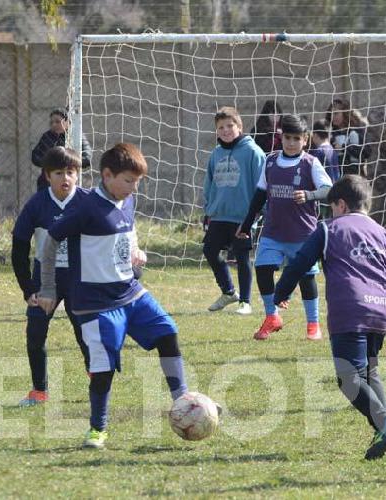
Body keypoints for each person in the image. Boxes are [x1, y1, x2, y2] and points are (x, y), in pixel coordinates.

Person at [36, 143, 189, 450]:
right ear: (107, 175)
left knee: (168, 333)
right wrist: (50, 288)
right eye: (128, 181)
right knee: (103, 366)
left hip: (130, 292)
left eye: (137, 182)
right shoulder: (86, 207)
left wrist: (135, 253)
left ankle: (184, 403)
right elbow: (50, 241)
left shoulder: (126, 200)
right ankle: (97, 429)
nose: (133, 188)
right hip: (95, 303)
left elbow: (127, 235)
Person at [273, 175, 386, 460]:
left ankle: (385, 424)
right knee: (369, 372)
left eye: (331, 207)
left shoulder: (328, 229)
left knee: (348, 378)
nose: (330, 213)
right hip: (380, 310)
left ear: (340, 204)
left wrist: (281, 292)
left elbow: (300, 262)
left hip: (350, 309)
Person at [237, 114, 333, 341]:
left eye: (296, 138)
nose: (291, 142)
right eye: (287, 137)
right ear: (281, 138)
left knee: (306, 278)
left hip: (303, 234)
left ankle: (313, 324)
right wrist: (247, 224)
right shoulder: (270, 162)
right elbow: (259, 195)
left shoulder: (310, 163)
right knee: (262, 268)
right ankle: (272, 316)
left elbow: (329, 189)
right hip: (273, 232)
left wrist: (310, 195)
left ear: (305, 139)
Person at [11, 146, 90, 407]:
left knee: (86, 333)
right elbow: (19, 246)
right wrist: (27, 288)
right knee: (35, 333)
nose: (65, 178)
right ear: (47, 176)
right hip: (45, 280)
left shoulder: (87, 202)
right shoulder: (37, 203)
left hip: (79, 278)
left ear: (77, 175)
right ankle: (39, 390)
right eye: (59, 173)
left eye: (70, 172)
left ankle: (96, 379)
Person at [202, 106, 264, 315]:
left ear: (239, 126)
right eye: (221, 127)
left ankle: (245, 302)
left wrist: (255, 215)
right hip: (219, 215)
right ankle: (228, 292)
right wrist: (208, 210)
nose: (226, 130)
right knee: (209, 250)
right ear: (217, 131)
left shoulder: (253, 152)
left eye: (230, 125)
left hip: (243, 217)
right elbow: (209, 184)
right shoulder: (216, 154)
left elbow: (262, 186)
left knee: (242, 257)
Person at [31, 109, 93, 191]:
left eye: (57, 122)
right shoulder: (47, 136)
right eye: (51, 122)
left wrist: (66, 163)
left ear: (68, 122)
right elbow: (35, 156)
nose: (54, 125)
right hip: (47, 183)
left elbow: (87, 159)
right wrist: (50, 163)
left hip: (70, 182)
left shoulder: (77, 136)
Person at [325, 98, 370, 178]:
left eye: (336, 114)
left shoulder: (356, 130)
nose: (333, 117)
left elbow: (366, 152)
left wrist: (343, 147)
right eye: (331, 114)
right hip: (335, 175)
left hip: (355, 176)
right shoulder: (331, 132)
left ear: (345, 113)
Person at [308, 118, 340, 182]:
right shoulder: (333, 150)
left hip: (324, 188)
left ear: (315, 135)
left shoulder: (318, 152)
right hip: (335, 186)